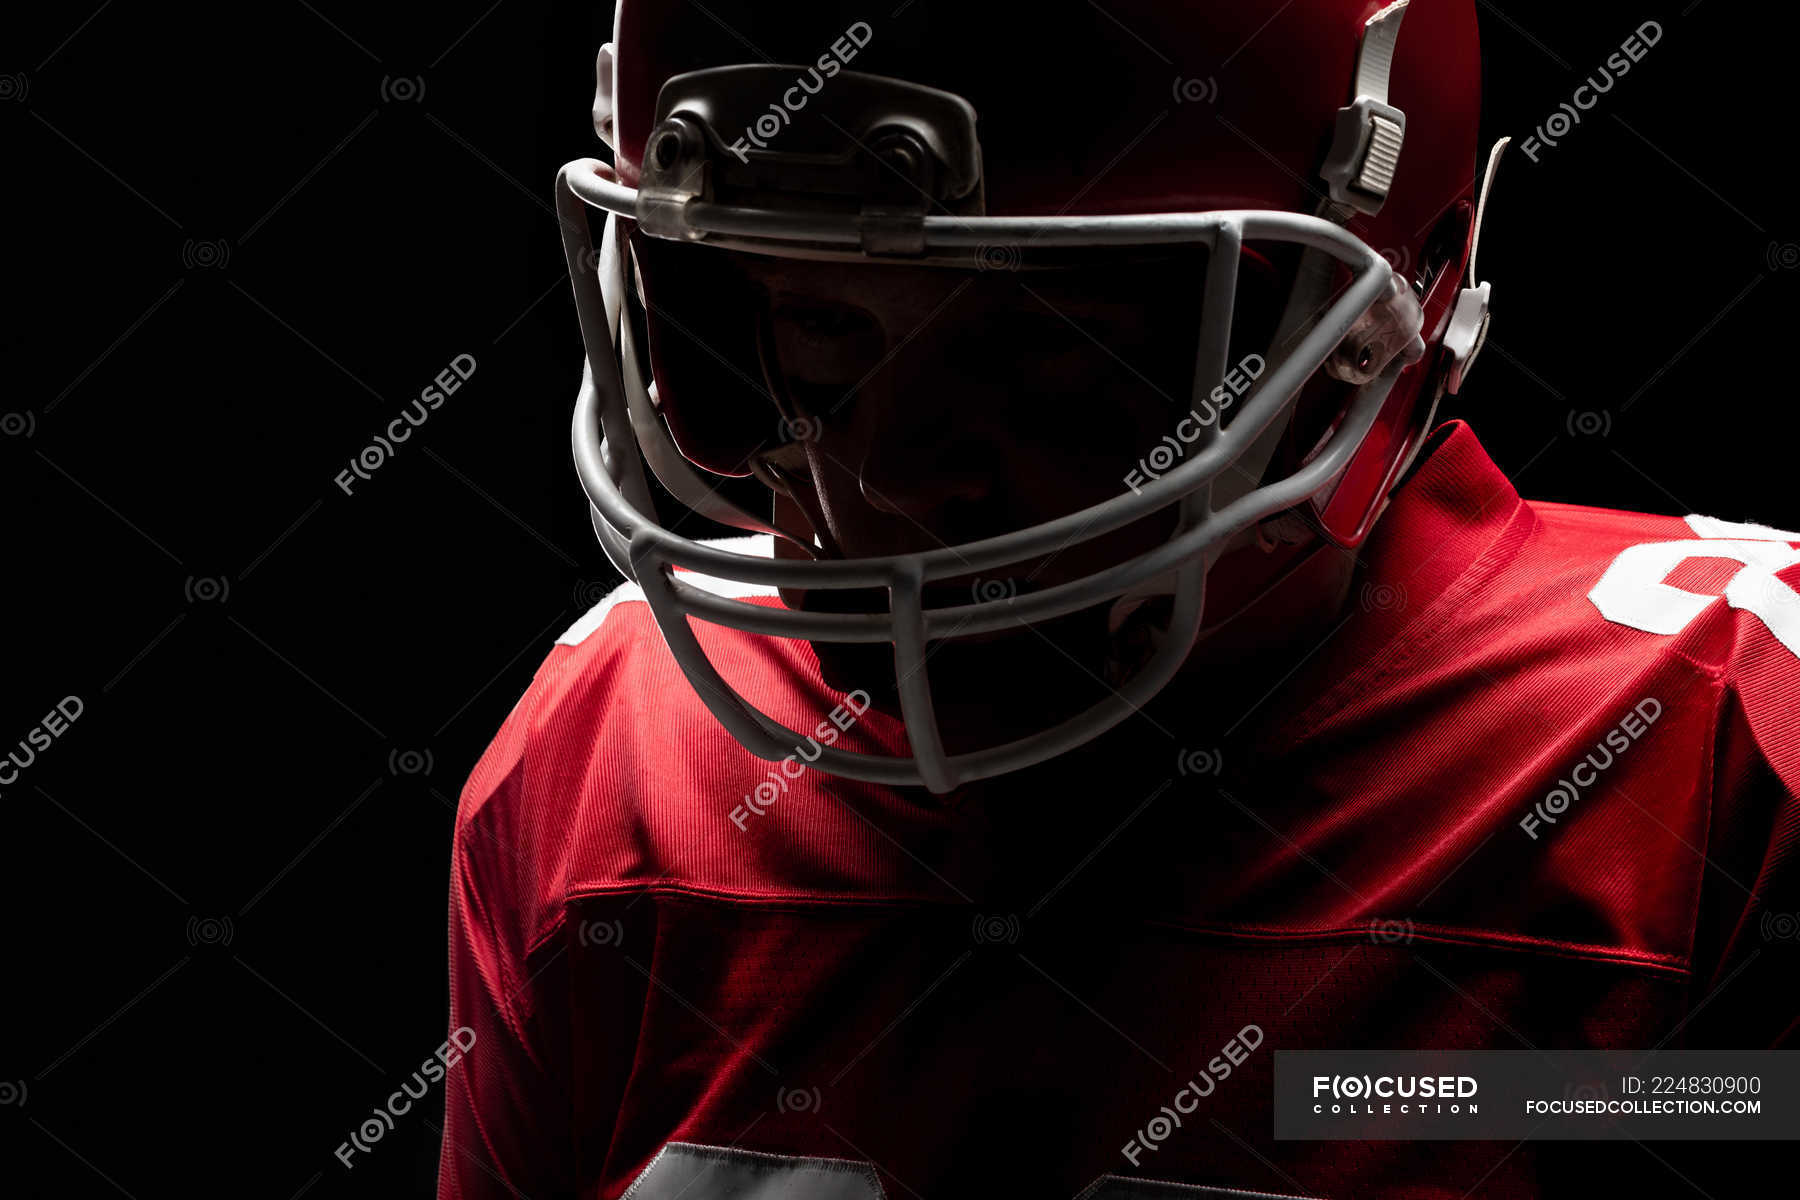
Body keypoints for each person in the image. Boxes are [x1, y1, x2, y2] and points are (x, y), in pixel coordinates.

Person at [439, 2, 1798, 1195]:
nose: (891, 483)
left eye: (1044, 345)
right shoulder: (613, 758)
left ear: (1382, 319)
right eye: (821, 320)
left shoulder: (1721, 752)